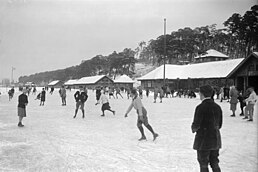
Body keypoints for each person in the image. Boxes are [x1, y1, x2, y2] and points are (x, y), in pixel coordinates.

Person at [191, 85, 222, 172]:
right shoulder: (217, 107)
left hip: (203, 140)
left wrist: (193, 128)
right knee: (214, 162)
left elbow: (196, 125)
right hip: (215, 139)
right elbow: (220, 124)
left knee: (203, 163)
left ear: (202, 94)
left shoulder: (200, 107)